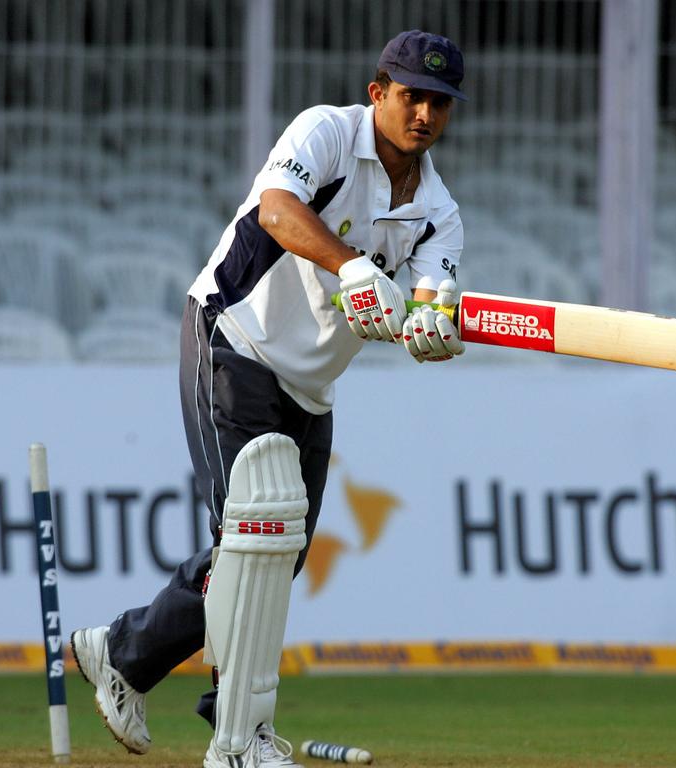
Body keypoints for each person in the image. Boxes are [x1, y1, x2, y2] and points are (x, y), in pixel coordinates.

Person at [70, 29, 468, 768]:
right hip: (234, 335)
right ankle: (239, 735)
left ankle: (125, 654)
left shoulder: (438, 213)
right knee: (255, 537)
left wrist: (428, 332)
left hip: (311, 384)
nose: (424, 113)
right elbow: (278, 212)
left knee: (270, 557)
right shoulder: (327, 130)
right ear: (378, 90)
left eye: (439, 102)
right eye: (412, 95)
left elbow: (423, 306)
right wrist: (352, 267)